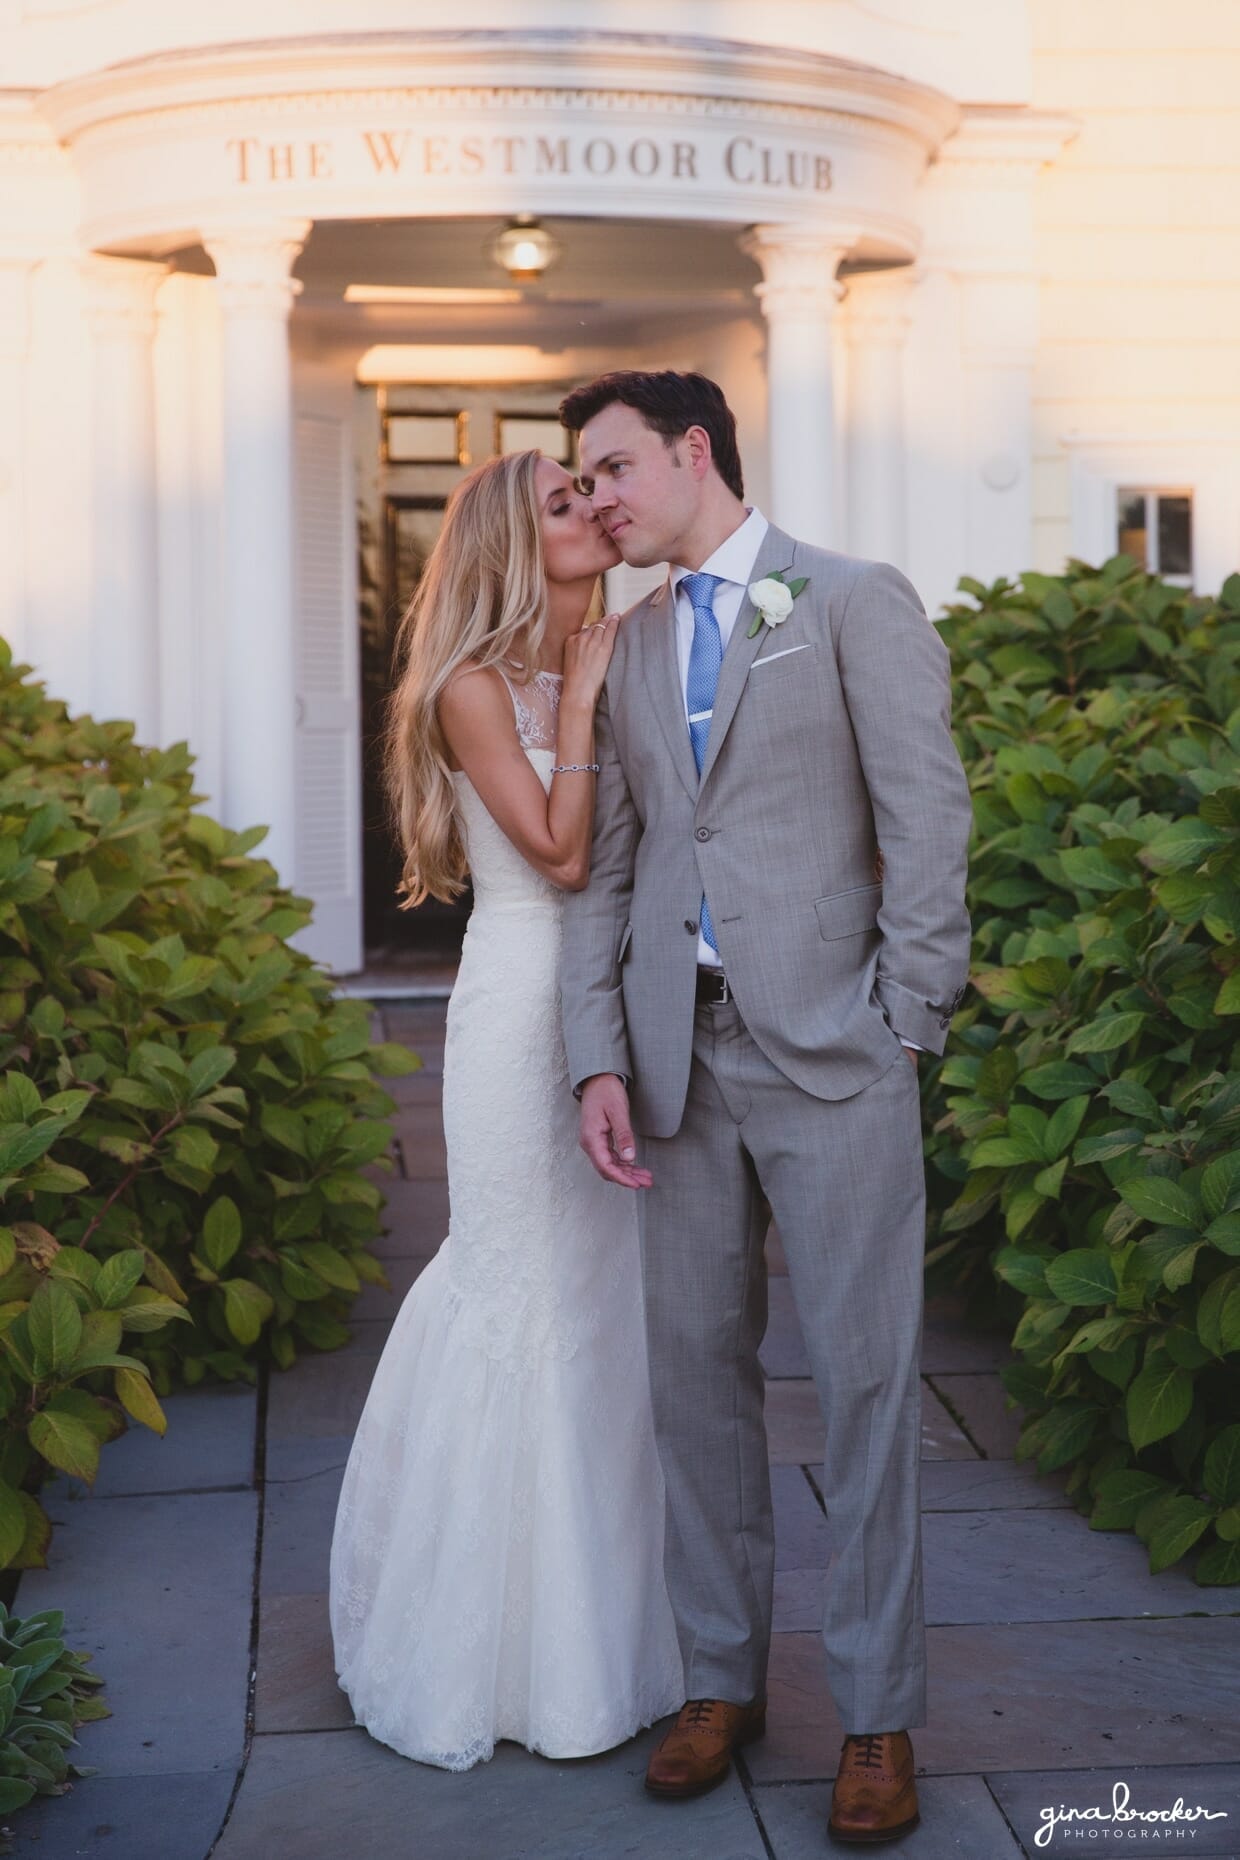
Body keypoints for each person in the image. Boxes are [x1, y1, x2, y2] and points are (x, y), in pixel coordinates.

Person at [558, 371, 973, 1844]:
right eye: (581, 481)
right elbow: (613, 864)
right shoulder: (628, 638)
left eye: (611, 469)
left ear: (691, 450)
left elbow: (928, 821)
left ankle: (876, 1717)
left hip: (836, 1057)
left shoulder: (853, 599)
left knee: (866, 1386)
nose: (596, 499)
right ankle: (720, 1681)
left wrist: (903, 1027)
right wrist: (598, 1055)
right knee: (694, 1386)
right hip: (679, 1064)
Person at [329, 448, 683, 1772]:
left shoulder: (606, 646)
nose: (591, 513)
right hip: (513, 1015)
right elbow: (565, 852)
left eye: (593, 496)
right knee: (515, 1291)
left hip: (609, 1014)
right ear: (502, 541)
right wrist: (583, 703)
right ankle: (475, 1653)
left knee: (605, 1309)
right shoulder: (473, 685)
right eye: (561, 504)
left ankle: (603, 1650)